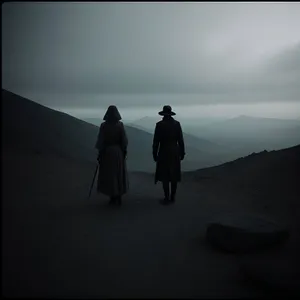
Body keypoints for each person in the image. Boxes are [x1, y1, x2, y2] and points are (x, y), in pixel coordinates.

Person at [95, 105, 129, 206]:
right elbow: (124, 141)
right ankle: (118, 195)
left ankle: (112, 196)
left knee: (110, 174)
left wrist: (100, 153)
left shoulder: (104, 126)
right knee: (118, 174)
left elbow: (101, 141)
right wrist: (124, 151)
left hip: (107, 153)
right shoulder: (120, 125)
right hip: (118, 152)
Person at [152, 105, 185, 205]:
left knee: (165, 175)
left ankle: (166, 197)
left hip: (163, 151)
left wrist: (154, 153)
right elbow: (180, 140)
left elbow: (156, 141)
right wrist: (182, 152)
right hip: (175, 151)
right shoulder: (177, 124)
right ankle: (173, 197)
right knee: (174, 174)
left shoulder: (159, 125)